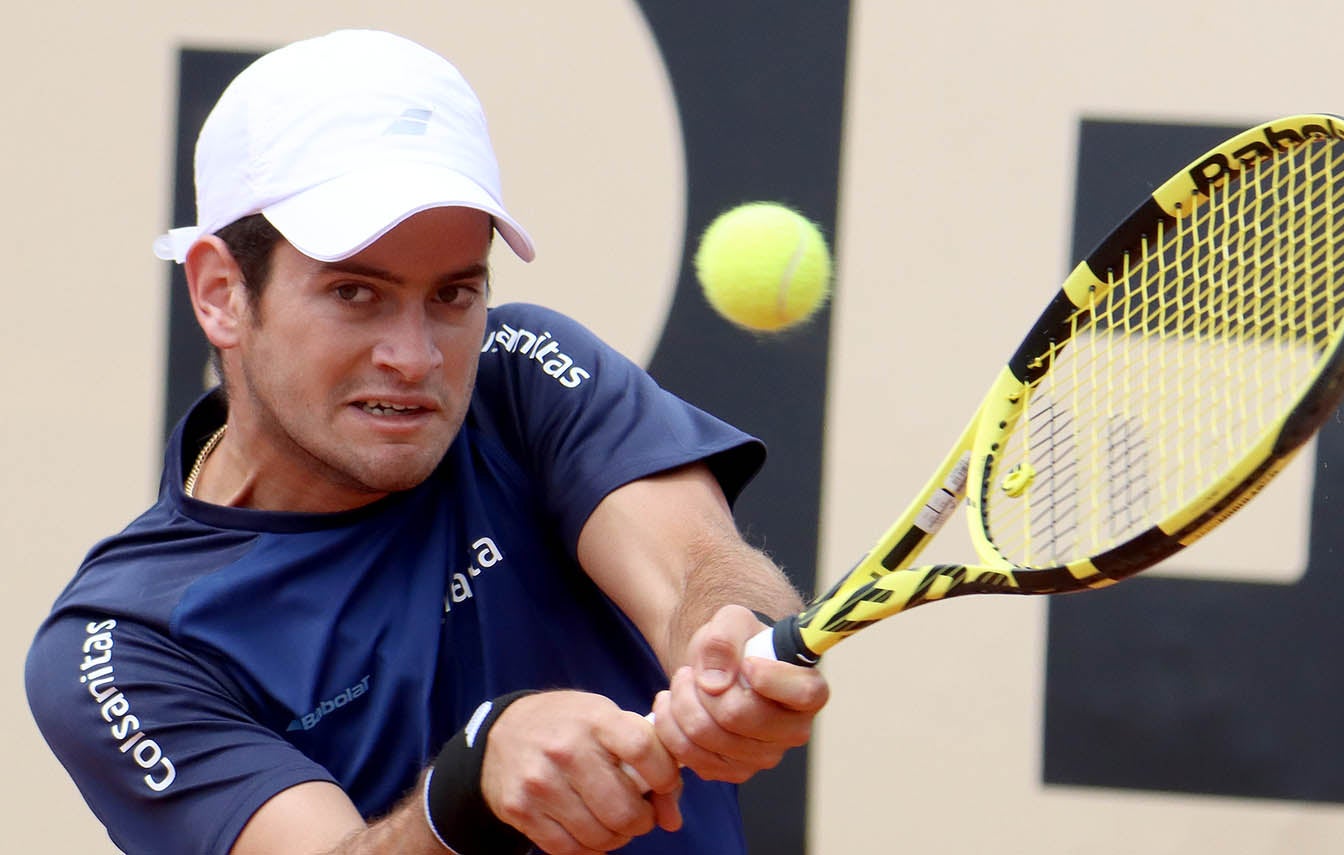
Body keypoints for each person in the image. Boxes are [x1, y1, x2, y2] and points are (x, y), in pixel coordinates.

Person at [24, 29, 828, 855]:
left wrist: (729, 638)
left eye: (452, 294)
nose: (414, 358)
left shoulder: (522, 376)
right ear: (222, 293)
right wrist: (472, 782)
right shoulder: (121, 646)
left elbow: (697, 565)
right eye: (355, 292)